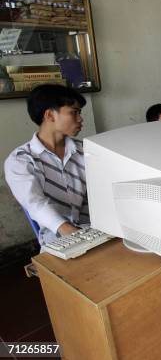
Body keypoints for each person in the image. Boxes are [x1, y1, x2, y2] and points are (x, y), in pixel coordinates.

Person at [4, 84, 88, 246]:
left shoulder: (86, 151)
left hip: (95, 228)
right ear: (50, 115)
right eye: (74, 112)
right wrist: (68, 230)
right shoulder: (21, 160)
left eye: (80, 113)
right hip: (56, 236)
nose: (80, 119)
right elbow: (34, 202)